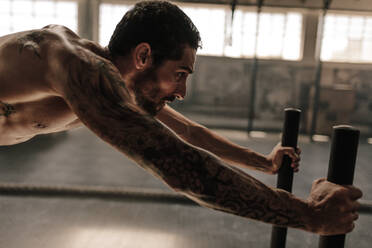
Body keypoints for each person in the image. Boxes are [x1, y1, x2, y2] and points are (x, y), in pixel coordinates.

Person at [0, 0, 361, 235]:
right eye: (180, 74)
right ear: (143, 55)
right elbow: (177, 164)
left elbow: (190, 132)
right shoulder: (74, 66)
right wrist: (309, 215)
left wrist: (264, 163)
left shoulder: (118, 86)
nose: (182, 92)